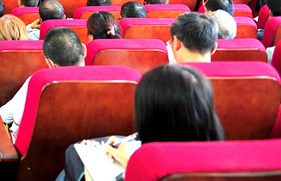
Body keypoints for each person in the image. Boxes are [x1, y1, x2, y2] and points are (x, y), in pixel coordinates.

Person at [63, 65, 224, 177]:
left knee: (73, 154)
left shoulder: (149, 172)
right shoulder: (223, 163)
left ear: (151, 120)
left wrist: (91, 165)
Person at [0, 27, 86, 137]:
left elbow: (12, 117)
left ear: (49, 62)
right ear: (84, 50)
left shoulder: (39, 83)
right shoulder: (103, 81)